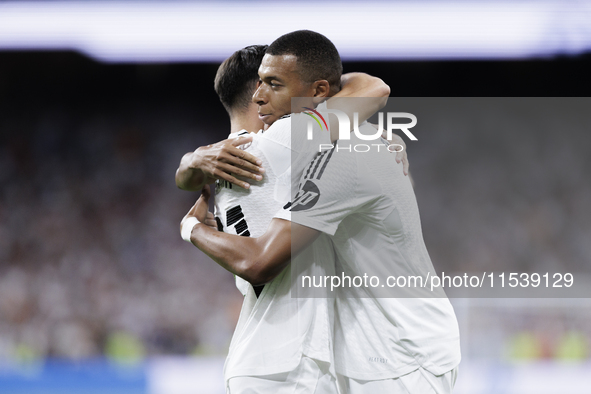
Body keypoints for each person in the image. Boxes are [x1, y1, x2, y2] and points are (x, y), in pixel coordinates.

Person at [182, 31, 460, 393]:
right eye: (261, 84)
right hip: (320, 360)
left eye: (275, 84)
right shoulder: (289, 143)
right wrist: (374, 131)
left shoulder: (225, 167)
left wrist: (190, 176)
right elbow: (373, 87)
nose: (262, 95)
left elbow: (188, 178)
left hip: (395, 356)